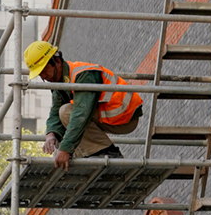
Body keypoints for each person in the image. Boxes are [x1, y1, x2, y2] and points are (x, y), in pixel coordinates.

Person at [24, 40, 143, 171]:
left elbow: (81, 114)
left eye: (45, 71)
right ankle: (84, 158)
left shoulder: (83, 75)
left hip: (124, 116)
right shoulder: (60, 81)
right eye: (41, 75)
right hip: (110, 115)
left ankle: (108, 153)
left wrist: (65, 149)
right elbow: (55, 111)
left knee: (67, 113)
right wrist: (51, 135)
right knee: (64, 120)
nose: (45, 77)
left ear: (57, 62)